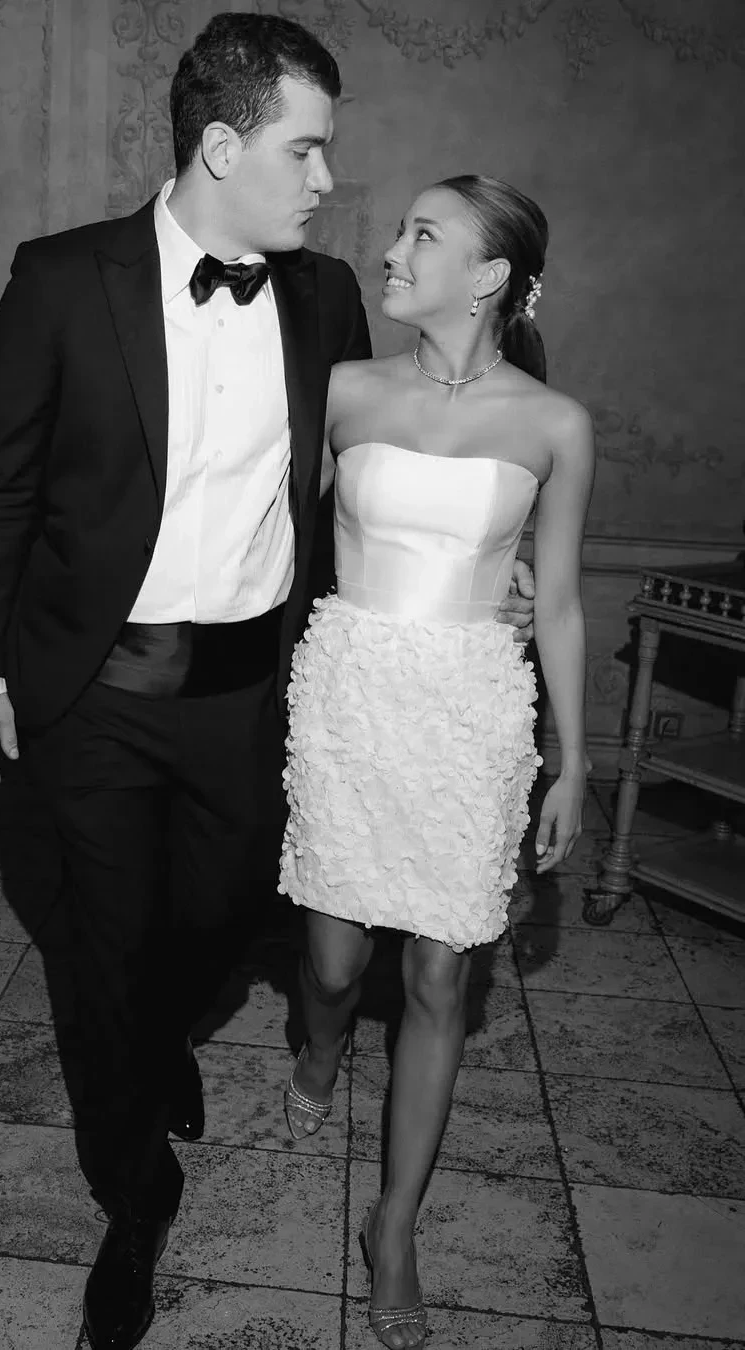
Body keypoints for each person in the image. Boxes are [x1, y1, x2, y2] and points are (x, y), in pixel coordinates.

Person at [0, 12, 535, 1345]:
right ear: (222, 145)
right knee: (103, 951)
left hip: (250, 696)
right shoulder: (62, 278)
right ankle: (134, 1201)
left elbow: (387, 456)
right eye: (305, 150)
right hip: (93, 690)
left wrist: (477, 563)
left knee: (218, 919)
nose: (329, 180)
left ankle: (158, 1041)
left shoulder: (322, 299)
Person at [278, 174, 594, 1348]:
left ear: (490, 275)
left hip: (471, 715)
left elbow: (557, 602)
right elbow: (273, 536)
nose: (392, 251)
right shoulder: (345, 390)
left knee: (438, 981)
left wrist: (575, 760)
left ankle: (394, 1224)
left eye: (423, 235)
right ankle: (318, 1045)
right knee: (331, 963)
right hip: (350, 698)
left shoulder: (555, 426)